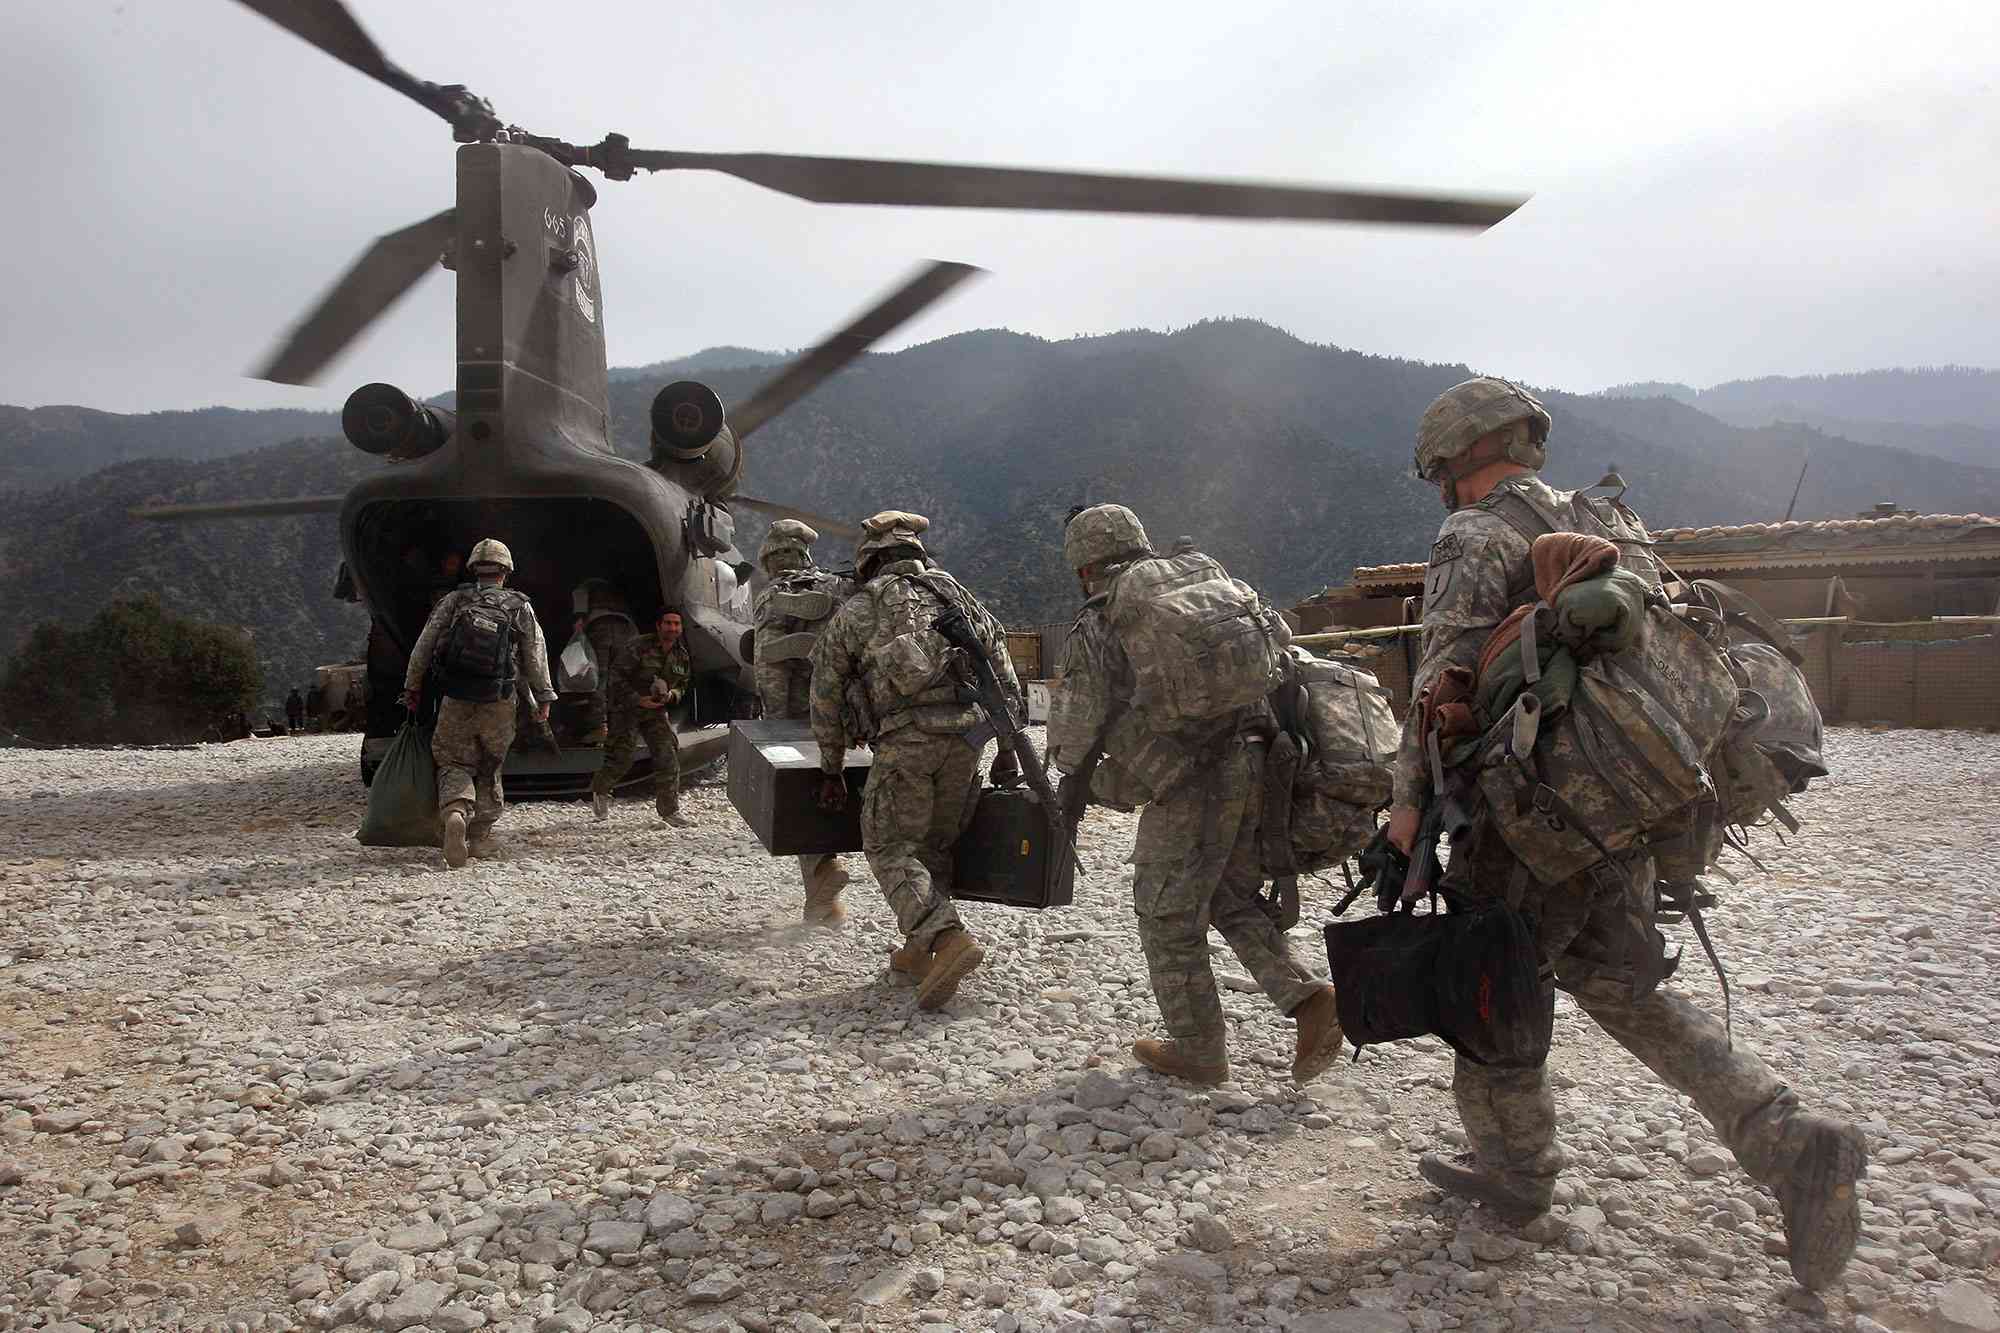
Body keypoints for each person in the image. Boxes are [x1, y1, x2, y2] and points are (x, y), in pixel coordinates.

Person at [1385, 376, 1866, 1291]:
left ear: (1451, 458)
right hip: (1631, 810)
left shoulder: (1473, 536)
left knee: (1488, 988)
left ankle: (1516, 1172)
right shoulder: (1598, 520)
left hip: (1534, 821)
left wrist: (1407, 815)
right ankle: (1788, 1140)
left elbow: (1438, 692)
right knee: (1622, 986)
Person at [1047, 504, 1341, 1087]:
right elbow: (1279, 642)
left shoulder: (1107, 616)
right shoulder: (1209, 580)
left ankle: (1197, 1049)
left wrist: (1069, 773)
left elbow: (1078, 720)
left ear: (1084, 568)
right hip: (1260, 758)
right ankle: (1311, 1002)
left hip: (1186, 778)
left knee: (1165, 914)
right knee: (1228, 895)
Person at [809, 511, 1015, 1010]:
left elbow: (826, 692)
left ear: (871, 561)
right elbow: (1003, 669)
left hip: (907, 741)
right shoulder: (958, 598)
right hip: (967, 743)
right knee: (934, 848)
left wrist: (832, 765)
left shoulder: (860, 611)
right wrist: (1007, 748)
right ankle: (918, 951)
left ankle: (946, 939)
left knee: (888, 846)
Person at [401, 538, 555, 868]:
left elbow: (423, 645)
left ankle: (456, 810)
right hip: (499, 699)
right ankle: (480, 836)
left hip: (457, 695)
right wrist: (544, 696)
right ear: (506, 571)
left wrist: (412, 687)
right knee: (490, 763)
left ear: (473, 568)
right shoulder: (519, 606)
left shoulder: (454, 601)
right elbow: (535, 654)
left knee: (453, 760)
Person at [752, 519, 855, 925]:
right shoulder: (836, 588)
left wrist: (773, 724)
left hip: (796, 717)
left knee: (800, 798)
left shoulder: (776, 594)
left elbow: (769, 663)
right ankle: (824, 904)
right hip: (842, 715)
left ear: (772, 559)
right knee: (836, 789)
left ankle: (821, 875)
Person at [590, 607, 691, 827]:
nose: (672, 628)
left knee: (668, 757)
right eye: (668, 623)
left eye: (676, 624)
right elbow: (615, 677)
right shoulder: (638, 647)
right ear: (658, 626)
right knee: (621, 758)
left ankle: (669, 811)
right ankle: (600, 788)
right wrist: (637, 699)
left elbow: (683, 684)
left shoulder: (680, 655)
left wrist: (671, 695)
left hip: (655, 712)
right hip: (626, 709)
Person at [570, 578, 641, 746]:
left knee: (598, 678)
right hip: (627, 628)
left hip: (601, 627)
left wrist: (579, 618)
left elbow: (579, 597)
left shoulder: (585, 585)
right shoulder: (616, 589)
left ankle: (600, 728)